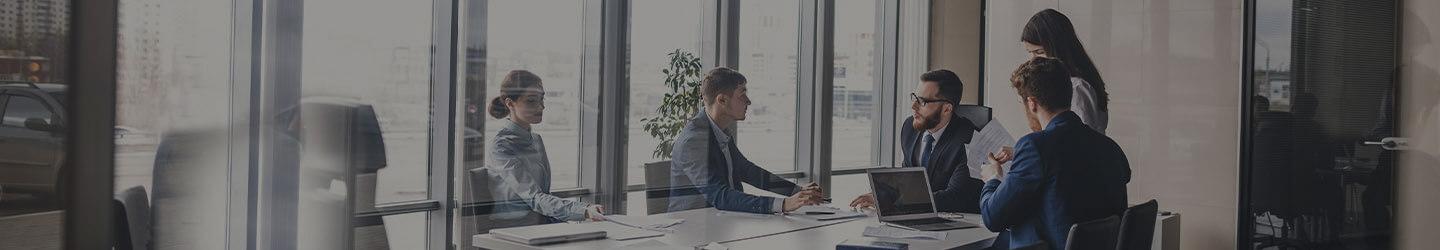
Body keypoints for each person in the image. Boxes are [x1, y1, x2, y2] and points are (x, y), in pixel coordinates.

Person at [980, 58, 1131, 249]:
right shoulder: (1111, 148)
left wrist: (993, 179)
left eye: (1022, 103)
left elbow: (993, 217)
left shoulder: (1034, 146)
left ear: (1032, 103)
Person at [669, 67, 824, 214]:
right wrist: (784, 204)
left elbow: (747, 170)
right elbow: (720, 196)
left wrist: (797, 191)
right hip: (692, 231)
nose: (748, 101)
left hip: (721, 222)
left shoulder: (719, 131)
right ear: (722, 100)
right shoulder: (693, 140)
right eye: (742, 94)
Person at [849, 69, 985, 213]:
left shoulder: (972, 141)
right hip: (918, 219)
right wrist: (880, 195)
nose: (913, 106)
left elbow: (955, 197)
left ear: (947, 109)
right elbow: (909, 181)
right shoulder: (910, 128)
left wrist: (892, 202)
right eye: (914, 97)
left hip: (961, 225)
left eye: (922, 101)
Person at [483, 70, 604, 223]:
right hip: (516, 228)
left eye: (542, 99)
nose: (541, 107)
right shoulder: (500, 146)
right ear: (510, 103)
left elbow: (543, 195)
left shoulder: (536, 139)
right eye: (531, 101)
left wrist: (584, 211)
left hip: (543, 222)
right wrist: (583, 210)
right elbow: (533, 197)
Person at [1021, 9, 1110, 134]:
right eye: (1030, 53)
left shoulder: (1077, 88)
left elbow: (1079, 146)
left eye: (1039, 52)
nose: (1033, 61)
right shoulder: (1065, 83)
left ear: (1058, 48)